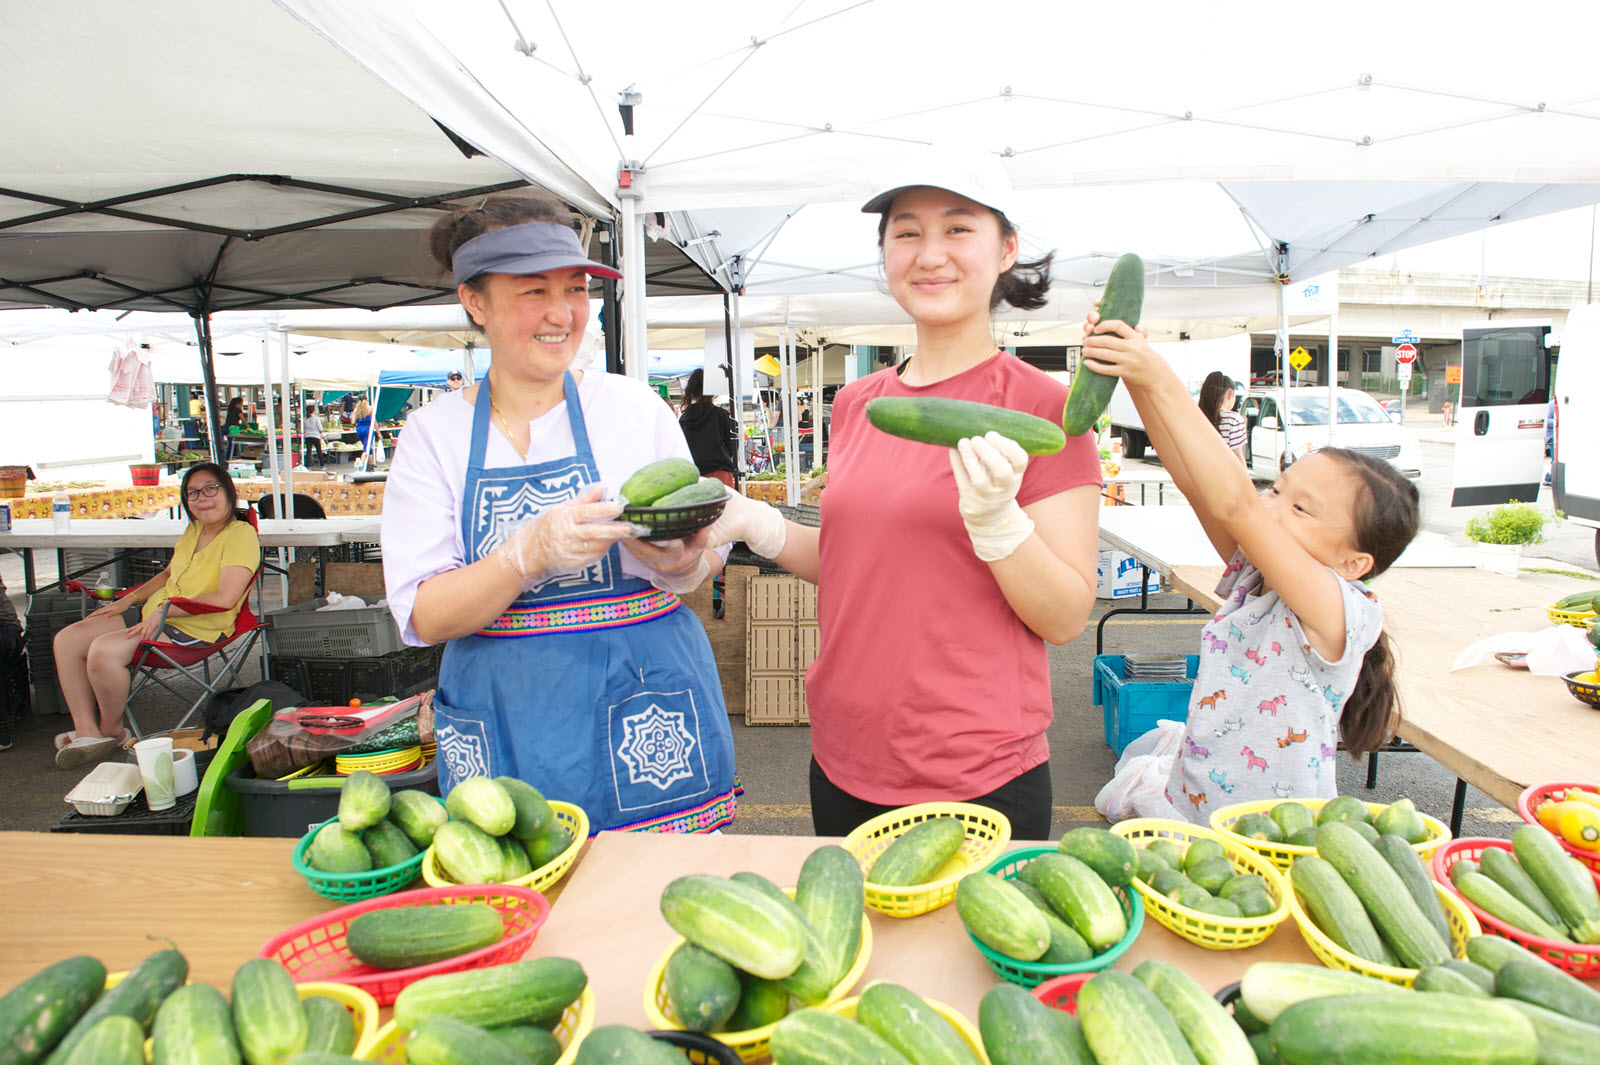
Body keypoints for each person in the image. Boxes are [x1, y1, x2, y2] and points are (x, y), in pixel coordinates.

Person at [706, 154, 1103, 839]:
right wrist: (758, 526)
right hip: (841, 753)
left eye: (958, 229)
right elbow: (860, 559)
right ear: (885, 252)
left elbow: (1066, 615)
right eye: (908, 232)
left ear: (1006, 250)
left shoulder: (1046, 412)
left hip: (978, 772)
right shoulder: (859, 403)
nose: (931, 255)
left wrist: (1000, 528)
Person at [382, 192, 740, 834]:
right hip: (508, 713)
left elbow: (701, 555)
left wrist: (688, 563)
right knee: (524, 892)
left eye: (575, 289)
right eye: (531, 291)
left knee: (661, 908)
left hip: (646, 706)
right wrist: (526, 555)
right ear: (475, 302)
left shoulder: (634, 410)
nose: (561, 314)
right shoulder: (431, 435)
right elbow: (428, 615)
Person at [1082, 310, 1419, 822]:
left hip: (1271, 833)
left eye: (1300, 508)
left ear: (1354, 562)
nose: (1270, 505)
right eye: (1277, 488)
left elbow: (1238, 502)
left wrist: (1157, 373)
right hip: (1194, 808)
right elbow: (1193, 478)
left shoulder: (1338, 608)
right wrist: (1133, 375)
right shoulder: (1259, 576)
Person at [50, 463, 261, 768]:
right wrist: (130, 599)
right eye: (193, 493)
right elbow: (167, 574)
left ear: (229, 491)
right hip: (157, 615)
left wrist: (164, 610)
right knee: (68, 639)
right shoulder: (195, 529)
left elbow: (225, 598)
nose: (203, 498)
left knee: (104, 651)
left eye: (211, 489)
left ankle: (112, 731)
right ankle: (87, 733)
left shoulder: (239, 535)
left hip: (197, 628)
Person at [678, 368, 738, 488]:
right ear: (711, 389)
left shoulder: (684, 419)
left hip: (694, 478)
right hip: (720, 475)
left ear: (691, 390)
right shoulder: (721, 414)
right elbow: (732, 446)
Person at [1199, 370, 1247, 465]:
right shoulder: (1233, 420)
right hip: (1224, 477)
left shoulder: (1197, 417)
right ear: (1230, 393)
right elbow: (1237, 456)